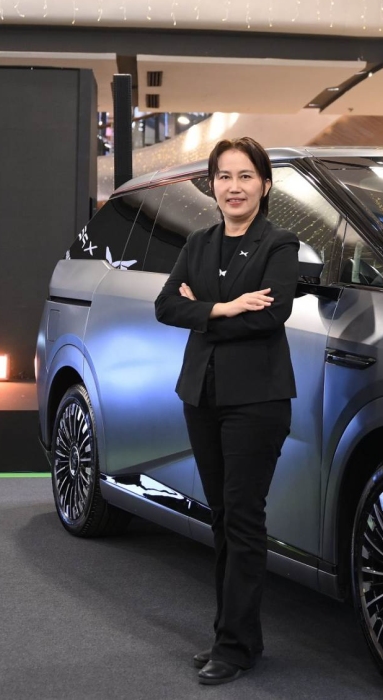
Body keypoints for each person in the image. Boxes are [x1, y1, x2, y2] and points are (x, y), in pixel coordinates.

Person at [154, 137, 299, 686]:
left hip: (256, 402)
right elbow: (166, 306)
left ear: (265, 183)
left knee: (242, 518)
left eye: (245, 176)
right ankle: (237, 637)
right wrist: (226, 306)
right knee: (221, 518)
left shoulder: (279, 243)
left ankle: (234, 647)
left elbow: (270, 316)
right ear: (211, 185)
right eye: (223, 176)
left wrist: (205, 311)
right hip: (202, 396)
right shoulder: (199, 242)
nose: (233, 187)